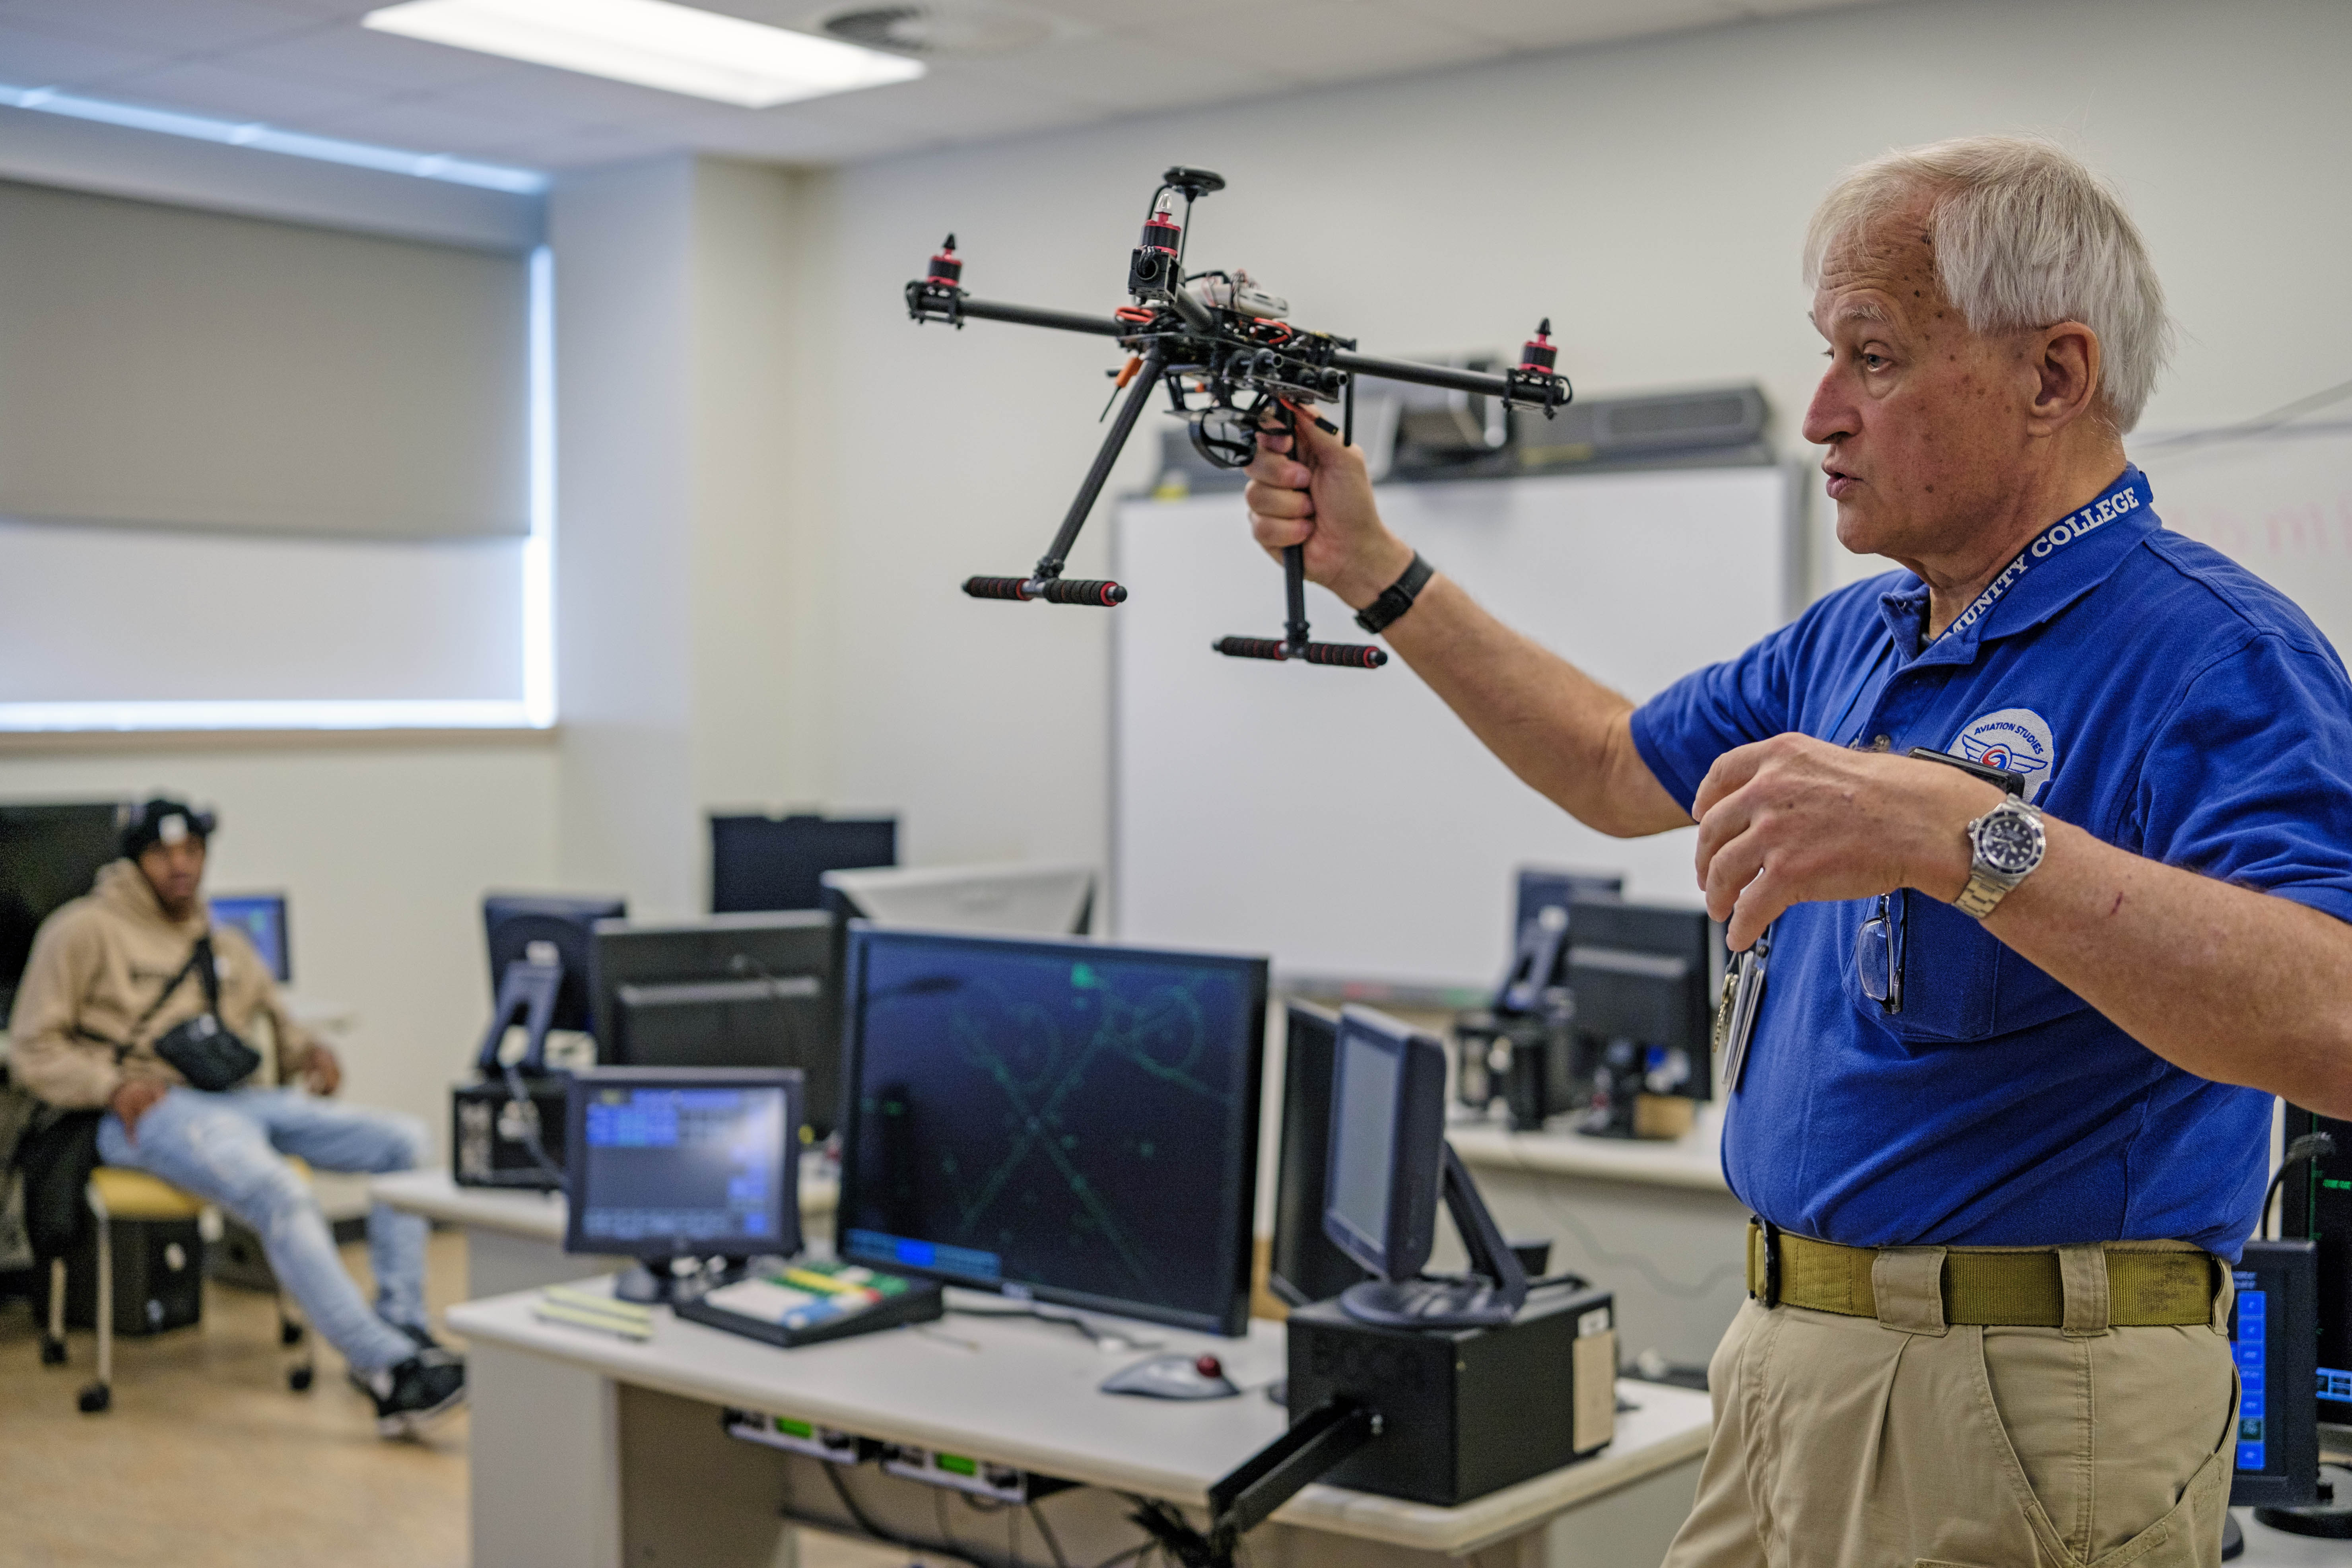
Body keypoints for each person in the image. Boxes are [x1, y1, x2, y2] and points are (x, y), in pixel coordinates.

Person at [1246, 135, 2352, 1568]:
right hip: (1783, 1356)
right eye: (1826, 355)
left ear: (2053, 377)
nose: (1820, 412)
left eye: (1872, 357)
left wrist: (1968, 837)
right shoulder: (1864, 634)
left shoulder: (2214, 653)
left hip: (2020, 1392)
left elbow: (2328, 1019)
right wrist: (1369, 570)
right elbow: (1606, 762)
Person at [9, 798, 464, 1438]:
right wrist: (108, 1085)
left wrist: (309, 1051)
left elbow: (277, 1014)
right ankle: (390, 1370)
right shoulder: (82, 931)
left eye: (192, 852)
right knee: (279, 1189)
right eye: (164, 854)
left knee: (403, 1143)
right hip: (151, 1111)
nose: (181, 867)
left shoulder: (219, 939)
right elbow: (32, 1048)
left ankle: (403, 1323)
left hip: (237, 1100)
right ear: (135, 861)